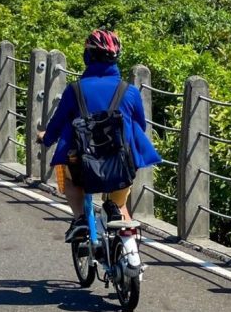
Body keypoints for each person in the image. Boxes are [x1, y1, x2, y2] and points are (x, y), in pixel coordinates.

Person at [38, 29, 162, 242]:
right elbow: (139, 125)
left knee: (67, 177)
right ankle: (118, 216)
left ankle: (80, 220)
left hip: (82, 164)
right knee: (120, 204)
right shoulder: (129, 91)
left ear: (88, 56)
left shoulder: (74, 90)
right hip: (121, 164)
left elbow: (57, 124)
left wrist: (45, 138)